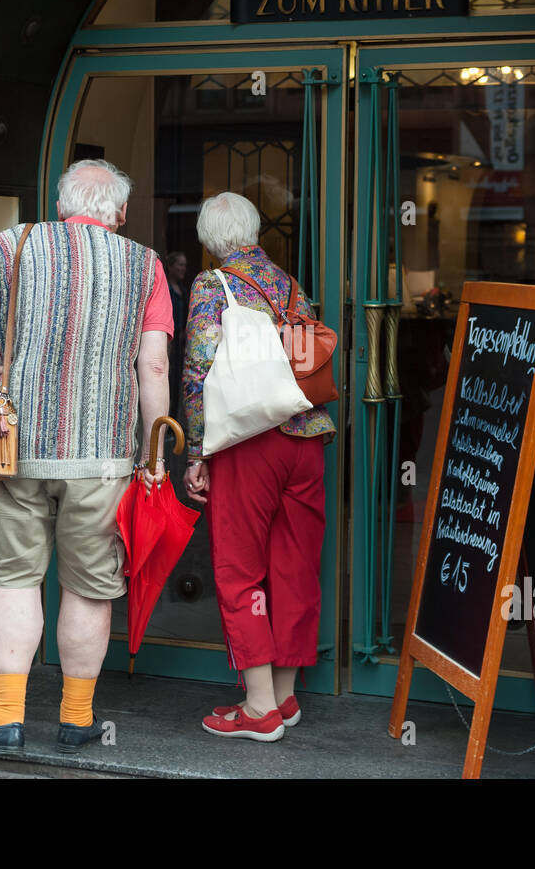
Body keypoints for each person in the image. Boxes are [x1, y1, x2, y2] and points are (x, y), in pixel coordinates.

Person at [0, 160, 174, 754]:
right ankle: (75, 719)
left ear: (63, 203)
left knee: (15, 582)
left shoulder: (17, 244)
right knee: (89, 590)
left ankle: (5, 720)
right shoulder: (145, 266)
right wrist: (155, 455)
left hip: (18, 450)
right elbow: (153, 366)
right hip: (102, 461)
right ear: (118, 213)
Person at [180, 192, 335, 742]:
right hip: (306, 436)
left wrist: (196, 452)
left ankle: (258, 708)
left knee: (239, 568)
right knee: (294, 565)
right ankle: (286, 696)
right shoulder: (289, 284)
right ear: (253, 231)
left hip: (250, 442)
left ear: (208, 239)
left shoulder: (211, 284)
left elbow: (199, 369)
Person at [165, 250, 189, 418]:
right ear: (171, 266)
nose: (183, 269)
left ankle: (174, 421)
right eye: (180, 264)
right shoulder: (165, 288)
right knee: (168, 380)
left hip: (181, 341)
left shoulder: (183, 289)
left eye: (185, 265)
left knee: (179, 382)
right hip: (168, 340)